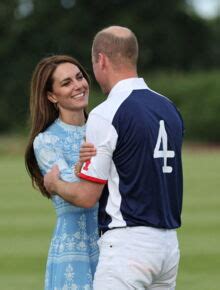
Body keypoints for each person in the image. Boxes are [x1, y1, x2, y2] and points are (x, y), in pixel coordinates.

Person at [44, 26, 184, 290]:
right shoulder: (169, 107)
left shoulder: (106, 112)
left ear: (102, 60)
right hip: (168, 247)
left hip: (127, 248)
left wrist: (55, 185)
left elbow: (87, 196)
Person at [24, 55, 99, 290]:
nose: (78, 85)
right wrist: (81, 168)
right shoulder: (46, 141)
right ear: (51, 96)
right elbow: (76, 191)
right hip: (71, 249)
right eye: (66, 83)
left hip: (112, 243)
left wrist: (68, 176)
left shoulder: (105, 126)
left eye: (79, 77)